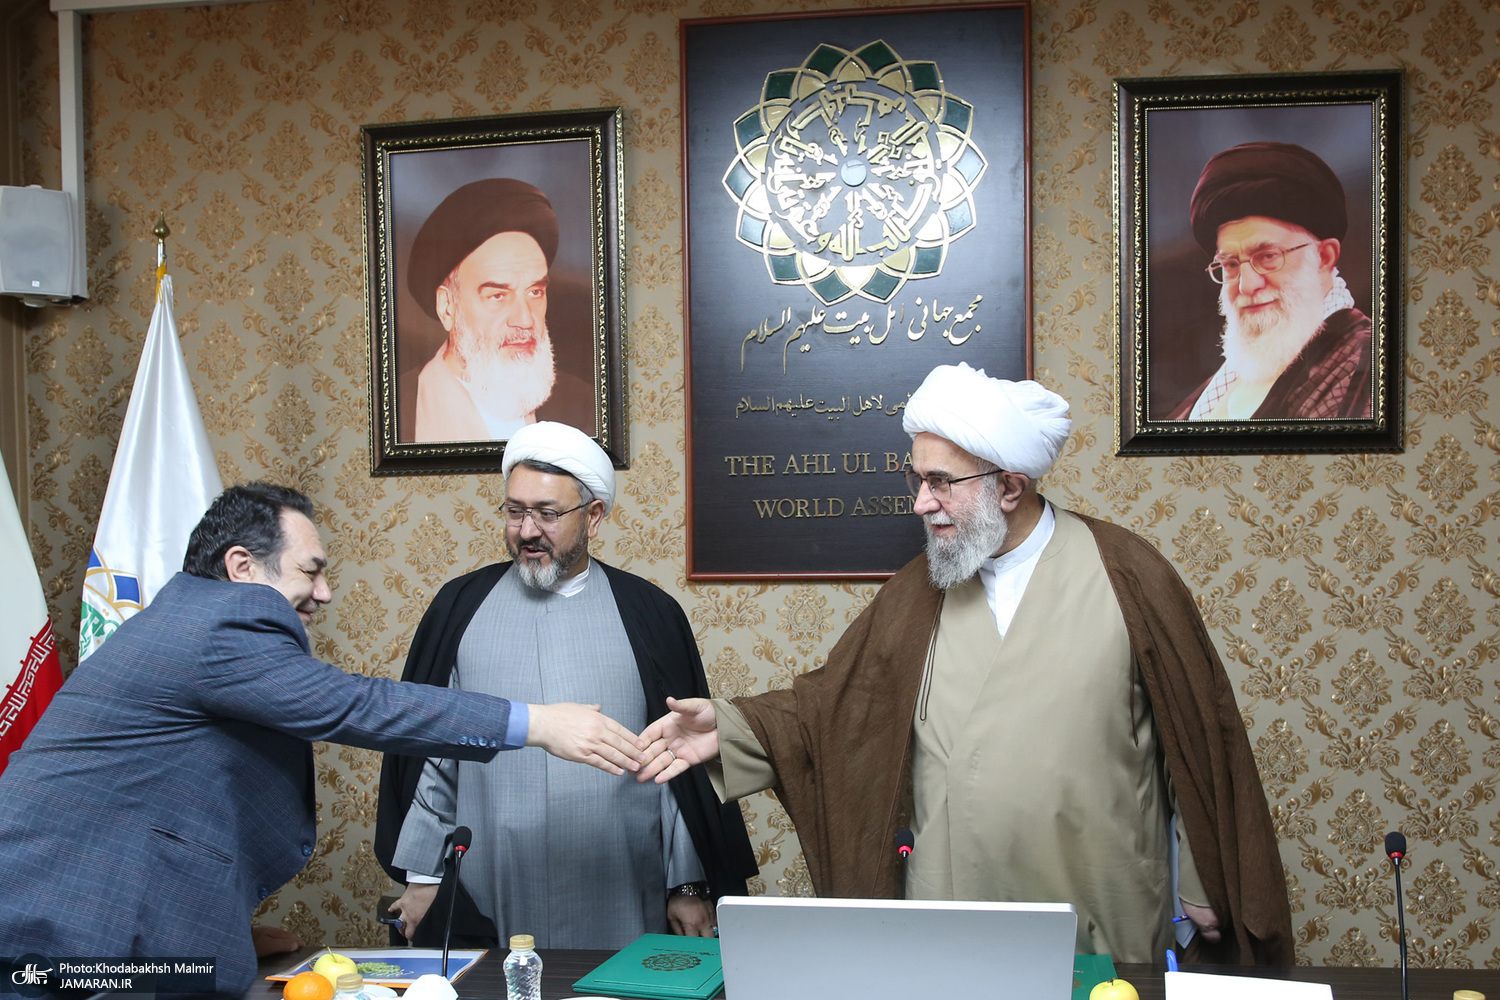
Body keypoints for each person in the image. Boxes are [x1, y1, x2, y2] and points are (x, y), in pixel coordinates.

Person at [639, 363, 1294, 965]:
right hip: (947, 911)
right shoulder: (916, 593)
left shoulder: (1128, 574)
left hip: (1097, 902)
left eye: (940, 482)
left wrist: (1206, 879)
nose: (920, 502)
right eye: (916, 479)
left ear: (1010, 486)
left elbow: (1201, 738)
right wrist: (731, 730)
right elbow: (832, 710)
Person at [0, 482, 646, 995]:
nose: (324, 593)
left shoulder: (185, 617)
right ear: (242, 566)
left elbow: (161, 806)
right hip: (71, 935)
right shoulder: (222, 624)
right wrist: (538, 724)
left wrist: (218, 932)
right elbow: (358, 705)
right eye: (310, 571)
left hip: (95, 923)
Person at [376, 421, 757, 949]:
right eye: (515, 511)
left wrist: (687, 885)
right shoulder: (458, 608)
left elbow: (677, 764)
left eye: (548, 514)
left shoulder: (650, 613)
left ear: (593, 516)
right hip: (492, 883)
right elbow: (434, 754)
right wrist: (424, 878)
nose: (527, 530)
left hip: (622, 883)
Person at [1167, 141, 1372, 421]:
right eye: (1231, 264)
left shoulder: (1365, 364)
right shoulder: (1216, 389)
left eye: (1268, 257)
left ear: (1324, 257)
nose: (1246, 285)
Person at [401, 178, 594, 443]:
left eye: (535, 292)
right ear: (447, 307)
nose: (525, 319)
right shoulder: (402, 412)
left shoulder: (585, 407)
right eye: (498, 296)